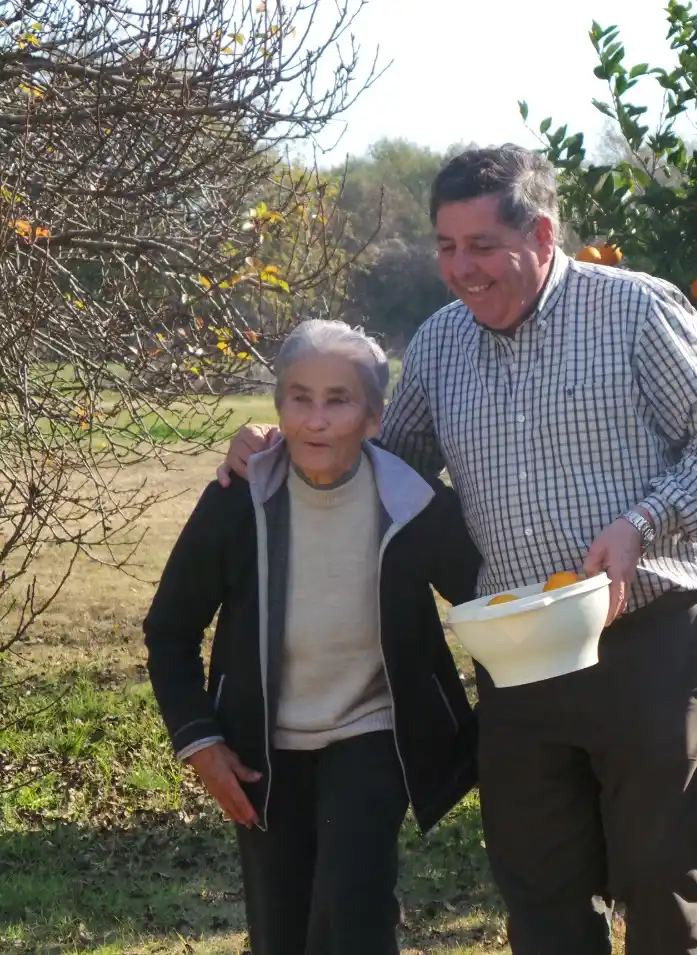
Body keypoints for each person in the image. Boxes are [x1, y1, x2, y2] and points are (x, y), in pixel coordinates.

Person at [218, 145, 697, 955]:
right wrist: (283, 438)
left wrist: (643, 524)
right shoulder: (440, 345)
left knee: (660, 875)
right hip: (517, 654)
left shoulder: (635, 310)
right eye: (445, 246)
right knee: (537, 883)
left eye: (479, 246)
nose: (460, 269)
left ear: (540, 235)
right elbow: (380, 467)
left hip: (651, 635)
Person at [146, 319, 482, 955]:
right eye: (300, 397)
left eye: (339, 400)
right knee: (282, 929)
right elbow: (169, 630)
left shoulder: (412, 507)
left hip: (372, 732)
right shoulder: (236, 503)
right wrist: (200, 741)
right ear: (277, 407)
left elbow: (489, 603)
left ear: (374, 418)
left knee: (352, 907)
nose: (317, 420)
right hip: (260, 747)